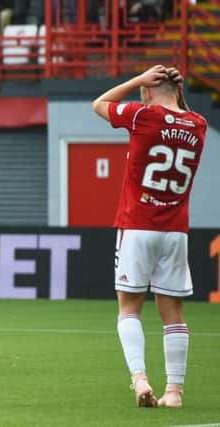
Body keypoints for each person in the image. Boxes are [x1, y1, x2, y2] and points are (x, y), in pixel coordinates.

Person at [93, 65, 207, 408]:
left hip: (137, 224)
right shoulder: (198, 125)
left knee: (129, 308)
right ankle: (174, 393)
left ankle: (140, 380)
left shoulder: (143, 116)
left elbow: (99, 104)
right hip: (175, 232)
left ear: (147, 91)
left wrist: (137, 80)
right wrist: (173, 92)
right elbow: (180, 112)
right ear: (178, 91)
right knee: (173, 313)